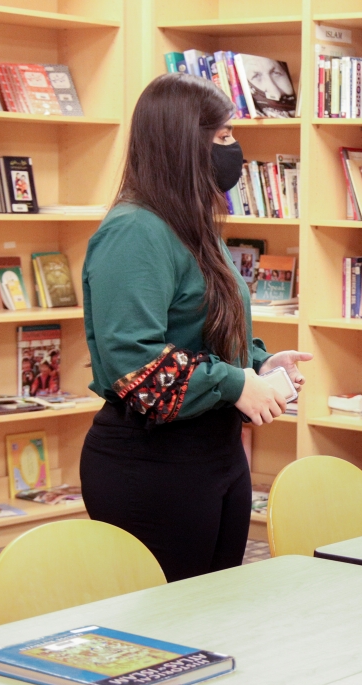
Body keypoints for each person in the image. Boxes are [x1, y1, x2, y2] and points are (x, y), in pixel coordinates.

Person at [80, 72, 311, 581]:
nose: (234, 149)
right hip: (153, 465)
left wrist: (257, 364)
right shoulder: (134, 231)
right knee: (164, 632)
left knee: (217, 614)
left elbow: (202, 329)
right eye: (224, 136)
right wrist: (235, 383)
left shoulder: (190, 223)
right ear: (184, 142)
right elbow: (133, 364)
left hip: (217, 454)